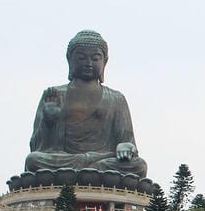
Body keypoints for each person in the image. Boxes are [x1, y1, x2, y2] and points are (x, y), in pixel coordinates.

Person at [25, 30, 148, 176]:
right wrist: (50, 122)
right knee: (33, 160)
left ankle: (85, 171)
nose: (88, 64)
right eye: (81, 58)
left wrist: (125, 146)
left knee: (139, 166)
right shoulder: (54, 94)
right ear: (70, 59)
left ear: (105, 61)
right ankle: (88, 172)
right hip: (65, 160)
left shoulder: (116, 98)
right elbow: (37, 147)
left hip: (103, 159)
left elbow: (127, 142)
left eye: (95, 59)